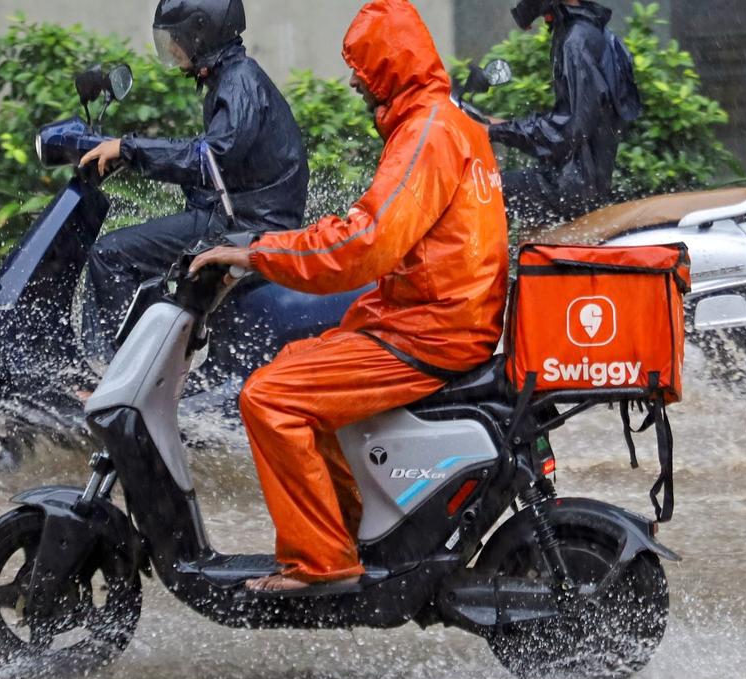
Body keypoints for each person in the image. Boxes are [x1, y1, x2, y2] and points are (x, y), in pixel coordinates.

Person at [190, 0, 509, 593]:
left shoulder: (426, 133)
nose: (358, 83)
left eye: (363, 70)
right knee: (292, 365)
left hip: (430, 329)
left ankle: (320, 562)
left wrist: (257, 252)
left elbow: (364, 242)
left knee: (269, 399)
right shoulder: (452, 123)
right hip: (438, 316)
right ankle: (357, 527)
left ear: (389, 68)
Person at [79, 0, 309, 355]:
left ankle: (111, 373)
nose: (172, 47)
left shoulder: (240, 82)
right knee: (147, 247)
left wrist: (130, 149)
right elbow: (220, 167)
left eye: (176, 37)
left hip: (247, 225)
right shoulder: (232, 77)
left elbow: (210, 158)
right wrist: (135, 154)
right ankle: (153, 360)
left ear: (201, 32)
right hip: (243, 216)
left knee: (111, 255)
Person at [488, 0, 642, 226]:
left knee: (484, 191)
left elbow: (570, 129)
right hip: (581, 182)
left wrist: (498, 132)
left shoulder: (576, 41)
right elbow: (573, 120)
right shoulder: (589, 30)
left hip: (570, 188)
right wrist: (499, 125)